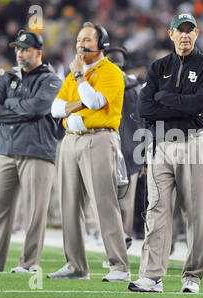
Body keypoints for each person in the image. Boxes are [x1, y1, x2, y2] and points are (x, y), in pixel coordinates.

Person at [128, 13, 203, 294]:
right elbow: (145, 109)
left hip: (194, 142)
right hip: (160, 144)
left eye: (189, 31)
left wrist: (165, 98)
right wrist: (183, 104)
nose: (185, 35)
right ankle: (151, 276)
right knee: (156, 211)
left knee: (196, 212)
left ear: (197, 34)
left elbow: (200, 104)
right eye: (179, 31)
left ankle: (192, 276)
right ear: (170, 34)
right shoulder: (158, 67)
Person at [47, 22, 130, 282]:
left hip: (99, 140)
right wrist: (80, 101)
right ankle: (75, 266)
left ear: (101, 45)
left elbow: (96, 102)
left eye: (86, 40)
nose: (80, 45)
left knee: (103, 203)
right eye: (78, 40)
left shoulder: (111, 72)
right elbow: (55, 109)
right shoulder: (74, 75)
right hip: (71, 140)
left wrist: (80, 78)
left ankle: (119, 266)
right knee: (69, 205)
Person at [0, 30, 62, 273]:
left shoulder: (51, 80)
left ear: (39, 53)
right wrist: (21, 108)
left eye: (25, 49)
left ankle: (29, 263)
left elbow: (38, 108)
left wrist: (11, 106)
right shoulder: (8, 77)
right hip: (5, 148)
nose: (20, 53)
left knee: (34, 211)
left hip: (37, 151)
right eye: (18, 49)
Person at [105, 46, 145, 246]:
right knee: (126, 200)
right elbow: (144, 122)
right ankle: (124, 237)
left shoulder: (102, 84)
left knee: (107, 198)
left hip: (106, 147)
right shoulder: (136, 88)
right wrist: (144, 155)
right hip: (132, 149)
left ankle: (115, 241)